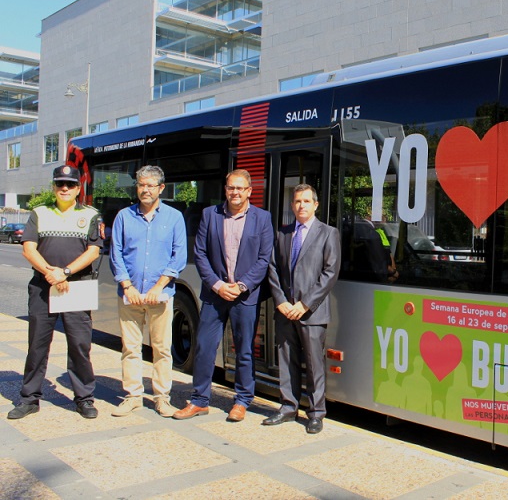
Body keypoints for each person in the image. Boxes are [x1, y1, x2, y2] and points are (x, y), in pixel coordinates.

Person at [173, 169, 273, 422]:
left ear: (250, 191)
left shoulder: (262, 218)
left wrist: (241, 286)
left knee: (244, 349)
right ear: (225, 189)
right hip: (214, 294)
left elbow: (264, 259)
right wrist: (218, 285)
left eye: (240, 188)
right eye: (231, 187)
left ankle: (241, 401)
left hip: (244, 296)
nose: (235, 192)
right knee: (205, 347)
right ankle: (199, 400)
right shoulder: (210, 214)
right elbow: (200, 254)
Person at [7, 165, 103, 420]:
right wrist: (51, 273)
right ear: (53, 186)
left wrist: (65, 272)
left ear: (78, 188)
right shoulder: (39, 213)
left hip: (77, 286)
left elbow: (93, 251)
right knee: (37, 345)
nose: (64, 188)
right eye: (60, 183)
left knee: (80, 345)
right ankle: (29, 399)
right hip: (42, 286)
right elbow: (29, 249)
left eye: (70, 184)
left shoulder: (91, 215)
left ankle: (84, 399)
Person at [109, 165, 187, 418]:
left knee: (162, 349)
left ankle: (161, 398)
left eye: (150, 185)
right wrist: (127, 286)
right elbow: (116, 254)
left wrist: (157, 287)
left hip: (160, 296)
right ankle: (132, 396)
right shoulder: (124, 216)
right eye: (141, 184)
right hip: (130, 296)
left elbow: (178, 257)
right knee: (130, 348)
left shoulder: (174, 217)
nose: (145, 189)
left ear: (161, 188)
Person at [264, 183, 341, 434]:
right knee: (287, 360)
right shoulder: (283, 233)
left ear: (316, 205)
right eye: (297, 201)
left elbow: (330, 273)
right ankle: (288, 407)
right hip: (285, 310)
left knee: (314, 363)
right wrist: (282, 301)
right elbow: (273, 268)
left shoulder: (328, 233)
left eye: (306, 201)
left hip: (312, 312)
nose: (301, 206)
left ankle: (316, 413)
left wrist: (305, 304)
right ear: (292, 205)